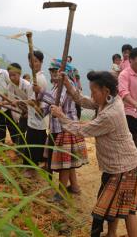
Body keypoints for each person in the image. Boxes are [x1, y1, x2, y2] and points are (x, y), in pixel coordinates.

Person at [51, 71, 137, 237]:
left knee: (128, 211)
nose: (93, 96)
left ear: (106, 91)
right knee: (114, 206)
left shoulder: (110, 114)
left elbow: (82, 129)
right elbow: (84, 100)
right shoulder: (109, 100)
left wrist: (61, 116)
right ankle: (111, 234)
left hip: (125, 167)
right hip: (115, 166)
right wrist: (67, 83)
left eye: (94, 91)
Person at [33, 59, 88, 202]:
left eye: (54, 71)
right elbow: (49, 107)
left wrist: (41, 92)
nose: (51, 73)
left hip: (66, 129)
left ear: (61, 73)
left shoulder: (65, 87)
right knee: (67, 161)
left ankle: (62, 192)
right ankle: (74, 187)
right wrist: (39, 110)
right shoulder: (55, 88)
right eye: (51, 71)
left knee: (64, 163)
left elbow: (58, 102)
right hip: (58, 128)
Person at [23, 51, 48, 178]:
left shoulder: (38, 79)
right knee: (36, 141)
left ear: (41, 62)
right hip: (35, 117)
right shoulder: (36, 77)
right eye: (31, 61)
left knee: (34, 142)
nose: (33, 64)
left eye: (36, 61)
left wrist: (19, 102)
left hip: (38, 118)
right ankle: (38, 165)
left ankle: (32, 169)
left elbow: (34, 101)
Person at [6, 63, 30, 146]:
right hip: (22, 112)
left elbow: (32, 101)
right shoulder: (10, 86)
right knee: (20, 130)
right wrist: (1, 103)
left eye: (14, 75)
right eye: (10, 75)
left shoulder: (27, 85)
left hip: (32, 111)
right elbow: (11, 101)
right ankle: (20, 150)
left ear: (19, 74)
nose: (12, 78)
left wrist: (29, 112)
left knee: (30, 132)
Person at [67, 55, 83, 119]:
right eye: (66, 61)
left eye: (68, 61)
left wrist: (80, 88)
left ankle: (78, 118)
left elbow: (78, 79)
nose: (67, 62)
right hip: (66, 90)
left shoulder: (74, 70)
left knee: (77, 104)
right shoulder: (61, 68)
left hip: (74, 88)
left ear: (70, 61)